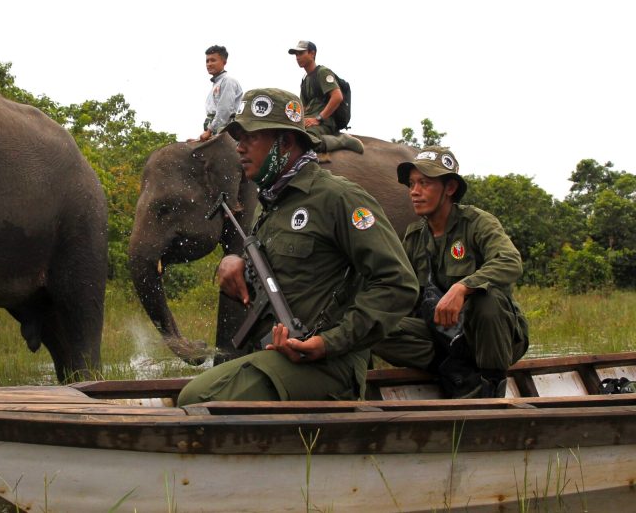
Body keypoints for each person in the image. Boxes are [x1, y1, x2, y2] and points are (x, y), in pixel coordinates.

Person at [176, 88, 417, 406]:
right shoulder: (272, 206)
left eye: (251, 137)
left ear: (285, 143)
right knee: (197, 389)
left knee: (197, 398)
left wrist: (328, 343)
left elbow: (398, 284)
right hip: (277, 357)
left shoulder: (338, 198)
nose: (240, 148)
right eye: (239, 137)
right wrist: (235, 263)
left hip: (328, 365)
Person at [371, 146, 530, 398]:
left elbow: (509, 260)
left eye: (424, 183)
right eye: (411, 184)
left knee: (488, 300)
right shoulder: (414, 237)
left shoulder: (478, 223)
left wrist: (463, 288)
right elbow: (399, 288)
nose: (414, 192)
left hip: (490, 337)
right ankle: (457, 374)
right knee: (375, 326)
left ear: (450, 188)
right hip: (442, 337)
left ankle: (491, 386)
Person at [288, 40, 362, 154]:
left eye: (301, 53)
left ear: (312, 53)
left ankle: (343, 140)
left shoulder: (322, 72)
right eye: (296, 54)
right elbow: (303, 107)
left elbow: (337, 97)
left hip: (325, 122)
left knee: (305, 141)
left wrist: (318, 118)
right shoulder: (305, 80)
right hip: (308, 121)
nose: (297, 57)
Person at [194, 45, 243, 142]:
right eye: (207, 61)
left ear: (224, 62)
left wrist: (209, 131)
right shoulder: (216, 84)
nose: (209, 64)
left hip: (225, 130)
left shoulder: (228, 81)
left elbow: (224, 111)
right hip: (214, 128)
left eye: (213, 60)